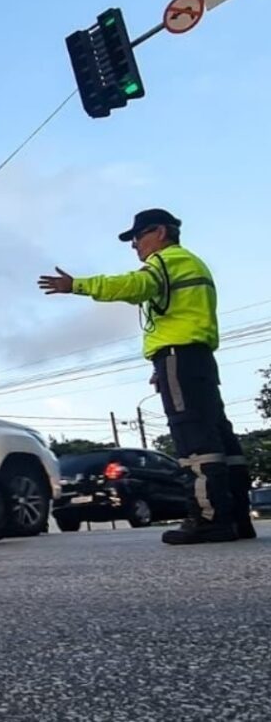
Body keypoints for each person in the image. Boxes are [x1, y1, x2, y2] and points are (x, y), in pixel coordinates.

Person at [38, 209, 250, 544]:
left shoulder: (166, 262)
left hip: (179, 357)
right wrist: (160, 367)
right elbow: (181, 316)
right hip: (196, 358)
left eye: (138, 236)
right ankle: (237, 517)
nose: (134, 244)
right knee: (219, 437)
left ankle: (210, 519)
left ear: (160, 232)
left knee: (193, 438)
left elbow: (135, 285)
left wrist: (77, 285)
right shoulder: (192, 262)